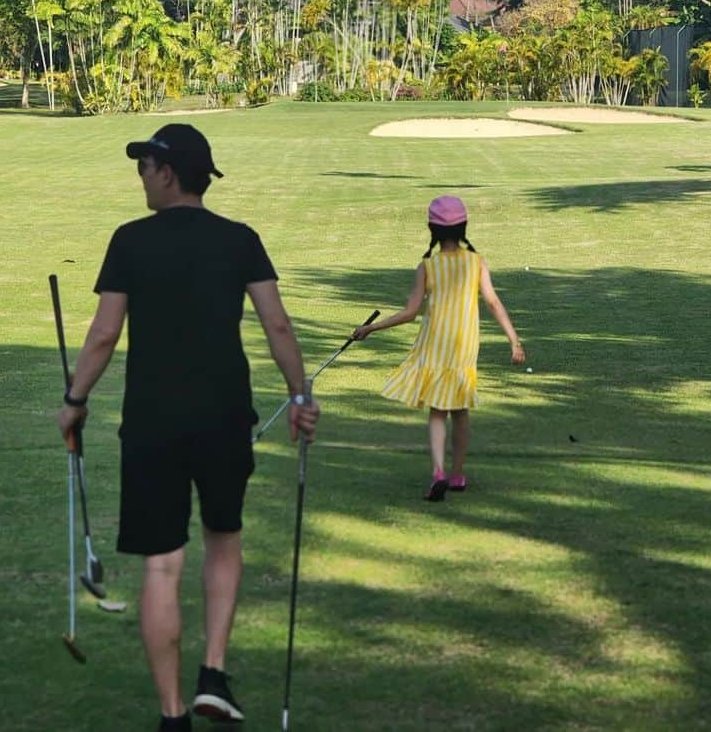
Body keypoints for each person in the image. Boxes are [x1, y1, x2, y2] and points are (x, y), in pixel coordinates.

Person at [55, 123, 319, 731]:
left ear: (167, 172)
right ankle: (214, 675)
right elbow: (278, 327)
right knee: (224, 538)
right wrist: (301, 395)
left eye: (145, 167)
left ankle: (174, 714)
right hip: (225, 416)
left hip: (152, 424)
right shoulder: (240, 240)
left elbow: (102, 335)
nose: (141, 178)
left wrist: (75, 400)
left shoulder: (130, 241)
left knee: (162, 566)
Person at [352, 195, 524, 501]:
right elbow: (493, 301)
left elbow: (409, 312)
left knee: (437, 410)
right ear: (464, 227)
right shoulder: (476, 262)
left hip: (434, 346)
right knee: (460, 411)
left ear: (432, 228)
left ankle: (438, 472)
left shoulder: (428, 266)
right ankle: (457, 475)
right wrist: (514, 340)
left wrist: (370, 328)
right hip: (464, 347)